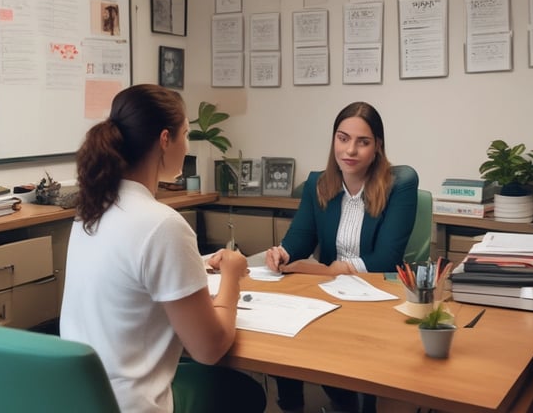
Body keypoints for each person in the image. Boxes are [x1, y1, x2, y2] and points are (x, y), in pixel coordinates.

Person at [59, 84, 266, 413]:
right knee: (244, 392)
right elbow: (209, 348)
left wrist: (196, 263)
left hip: (81, 397)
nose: (187, 146)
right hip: (130, 405)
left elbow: (130, 274)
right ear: (165, 140)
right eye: (186, 134)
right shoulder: (162, 224)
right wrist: (232, 276)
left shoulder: (93, 211)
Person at [265, 101, 418, 413]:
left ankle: (353, 402)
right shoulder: (318, 183)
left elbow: (388, 257)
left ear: (378, 146)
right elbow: (301, 236)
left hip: (377, 293)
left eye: (363, 142)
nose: (350, 150)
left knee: (350, 354)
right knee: (282, 329)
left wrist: (343, 267)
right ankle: (291, 405)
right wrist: (284, 252)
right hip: (330, 289)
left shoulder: (400, 184)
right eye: (343, 138)